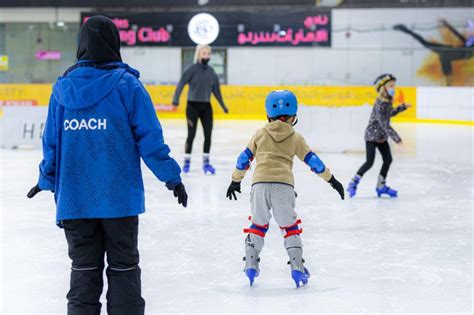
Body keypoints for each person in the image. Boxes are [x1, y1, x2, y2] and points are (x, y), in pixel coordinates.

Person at [26, 16, 188, 315]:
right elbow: (150, 140)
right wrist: (172, 177)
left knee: (84, 271)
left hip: (75, 200)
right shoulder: (129, 86)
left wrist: (47, 178)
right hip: (119, 201)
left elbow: (51, 144)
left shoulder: (62, 91)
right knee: (124, 270)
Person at [225, 90, 344, 288]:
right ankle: (297, 268)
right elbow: (314, 162)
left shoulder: (260, 133)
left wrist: (235, 180)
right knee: (290, 228)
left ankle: (251, 265)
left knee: (258, 225)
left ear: (268, 114)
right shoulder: (296, 138)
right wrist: (332, 180)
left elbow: (243, 159)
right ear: (293, 116)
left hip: (260, 186)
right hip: (284, 187)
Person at [347, 73, 411, 199]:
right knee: (369, 162)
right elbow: (384, 123)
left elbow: (389, 114)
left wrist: (402, 107)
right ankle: (353, 183)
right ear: (383, 88)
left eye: (394, 85)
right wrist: (397, 139)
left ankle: (381, 186)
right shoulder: (380, 103)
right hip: (372, 136)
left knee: (388, 160)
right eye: (391, 86)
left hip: (381, 137)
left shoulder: (387, 102)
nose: (394, 88)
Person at [172, 44, 229, 175]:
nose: (207, 56)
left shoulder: (211, 72)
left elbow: (216, 91)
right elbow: (181, 84)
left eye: (209, 54)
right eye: (204, 54)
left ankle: (206, 163)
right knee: (191, 135)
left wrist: (223, 106)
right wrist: (176, 100)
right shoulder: (191, 69)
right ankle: (186, 162)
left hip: (206, 107)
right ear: (198, 54)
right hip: (192, 107)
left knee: (208, 135)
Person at [394, 20, 473, 86]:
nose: (469, 33)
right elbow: (458, 35)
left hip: (457, 52)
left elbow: (465, 47)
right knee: (426, 44)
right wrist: (447, 25)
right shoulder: (469, 41)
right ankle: (405, 30)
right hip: (449, 50)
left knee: (443, 56)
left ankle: (448, 79)